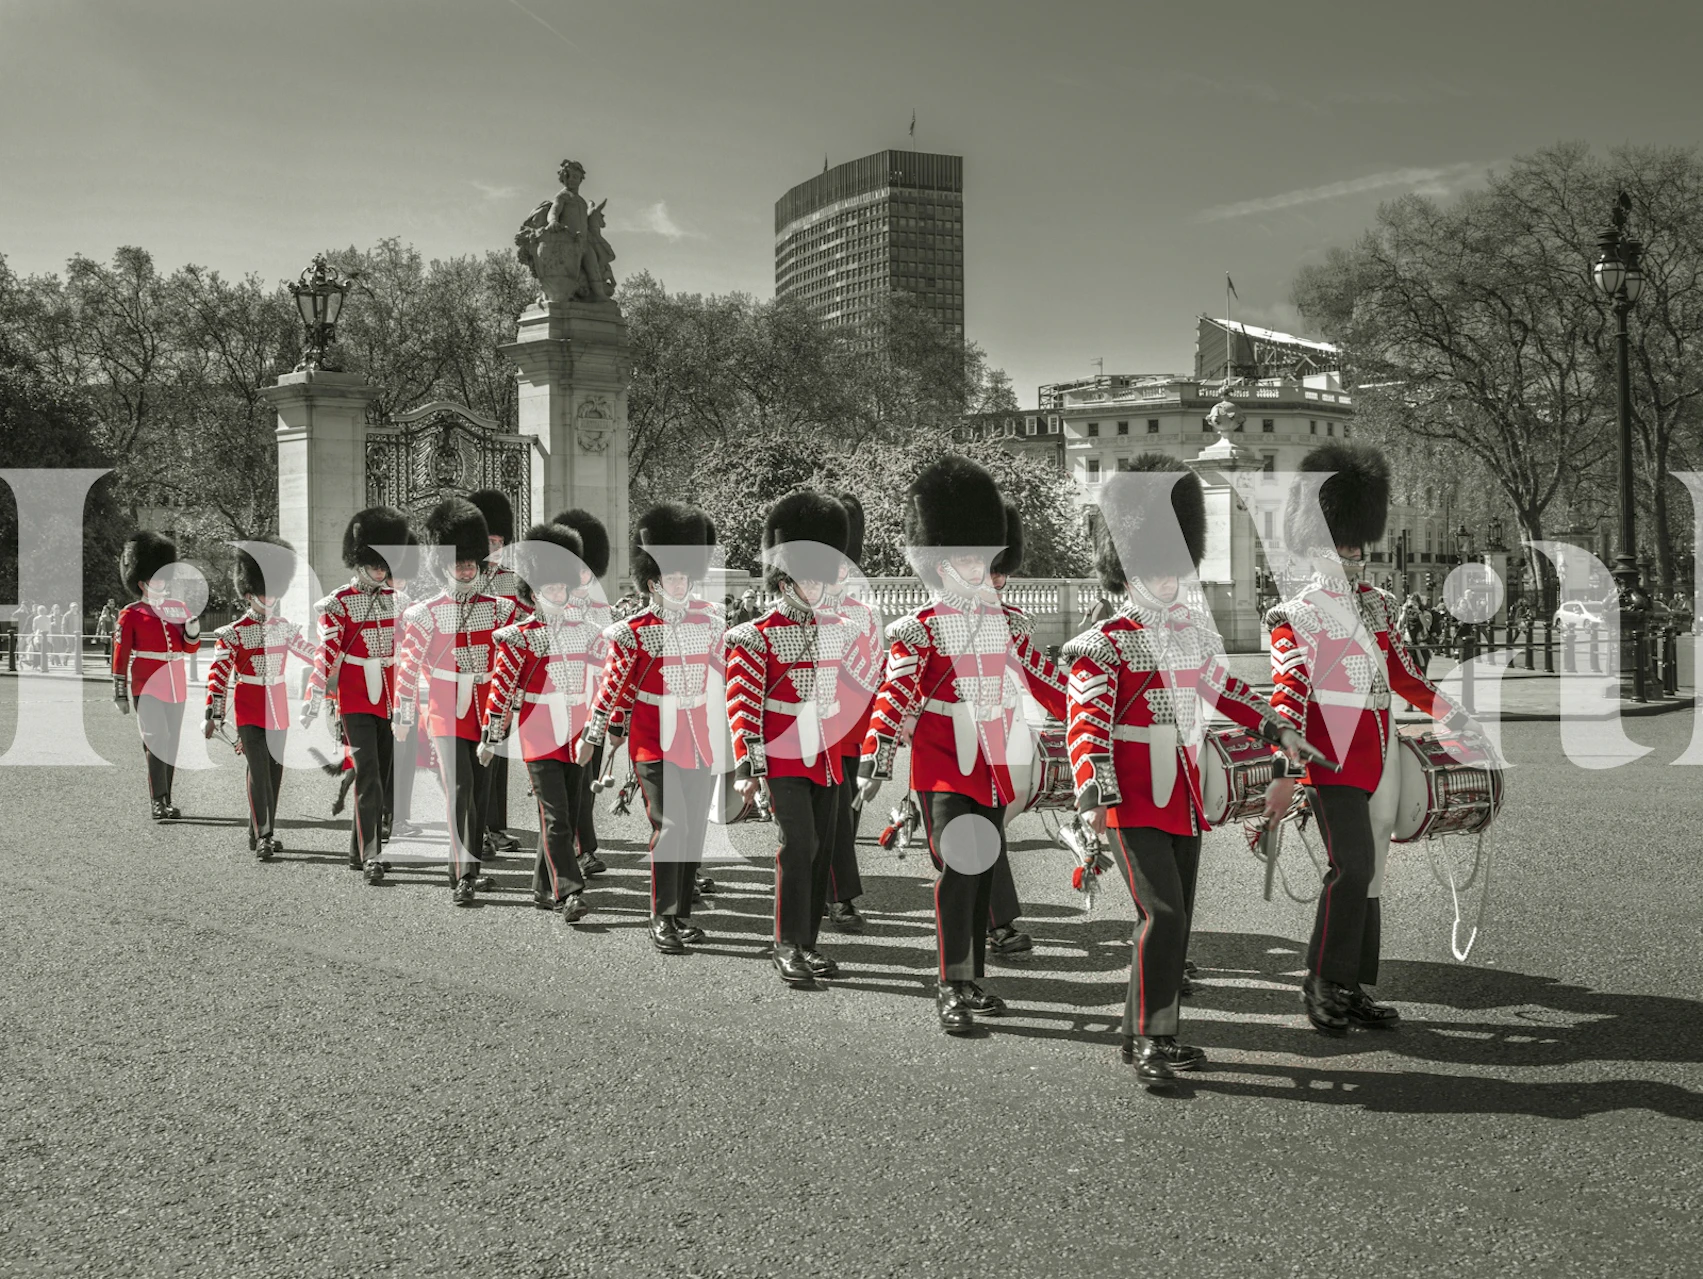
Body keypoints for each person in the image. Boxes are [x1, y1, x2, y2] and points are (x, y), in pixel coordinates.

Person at [1064, 458, 1308, 1087]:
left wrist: (1277, 728)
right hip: (1127, 798)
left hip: (1181, 795)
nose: (1171, 579)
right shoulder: (1103, 642)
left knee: (1173, 919)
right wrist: (1093, 789)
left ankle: (1139, 1031)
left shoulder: (1190, 635)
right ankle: (1153, 1039)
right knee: (1163, 914)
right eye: (1157, 568)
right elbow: (1085, 722)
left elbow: (1228, 691)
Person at [1261, 444, 1475, 1036]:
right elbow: (1288, 696)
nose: (1352, 557)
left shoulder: (1378, 606)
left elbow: (1404, 675)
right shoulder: (1292, 616)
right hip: (1330, 762)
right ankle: (1321, 981)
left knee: (1372, 871)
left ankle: (1351, 985)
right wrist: (1285, 772)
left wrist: (1451, 713)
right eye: (1341, 545)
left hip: (1380, 755)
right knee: (1350, 868)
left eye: (1356, 546)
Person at [855, 457, 1067, 1036]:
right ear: (941, 564)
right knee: (957, 870)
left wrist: (1095, 723)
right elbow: (895, 695)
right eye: (964, 561)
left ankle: (969, 978)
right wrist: (877, 758)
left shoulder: (1013, 624)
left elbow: (1047, 684)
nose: (975, 570)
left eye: (981, 559)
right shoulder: (918, 627)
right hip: (943, 763)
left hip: (994, 763)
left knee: (981, 871)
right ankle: (951, 983)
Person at [579, 502, 723, 954]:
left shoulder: (712, 622)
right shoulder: (632, 631)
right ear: (653, 581)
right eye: (670, 578)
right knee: (670, 824)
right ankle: (660, 916)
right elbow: (612, 688)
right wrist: (593, 736)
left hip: (698, 736)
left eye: (683, 577)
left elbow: (726, 684)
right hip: (652, 737)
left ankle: (680, 915)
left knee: (693, 827)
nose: (678, 584)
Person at [726, 490, 855, 987]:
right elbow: (743, 705)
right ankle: (785, 943)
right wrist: (749, 768)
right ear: (784, 582)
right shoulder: (754, 635)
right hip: (780, 758)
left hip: (825, 756)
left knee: (822, 852)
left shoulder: (842, 630)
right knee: (796, 845)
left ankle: (808, 943)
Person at [394, 499, 516, 907]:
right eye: (458, 565)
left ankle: (465, 867)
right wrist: (403, 714)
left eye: (470, 564)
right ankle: (464, 874)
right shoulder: (424, 613)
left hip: (486, 706)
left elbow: (509, 664)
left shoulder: (499, 610)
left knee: (480, 791)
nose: (465, 571)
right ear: (443, 566)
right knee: (460, 788)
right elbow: (409, 668)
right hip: (446, 707)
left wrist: (511, 706)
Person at [482, 522, 599, 924]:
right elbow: (501, 690)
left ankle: (541, 887)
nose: (558, 594)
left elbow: (603, 685)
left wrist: (600, 731)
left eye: (561, 589)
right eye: (550, 589)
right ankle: (571, 892)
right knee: (556, 816)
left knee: (563, 813)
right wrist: (491, 738)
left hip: (576, 734)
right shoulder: (517, 637)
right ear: (533, 594)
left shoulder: (587, 634)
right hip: (539, 733)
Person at [303, 507, 411, 880]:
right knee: (368, 775)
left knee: (382, 775)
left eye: (385, 565)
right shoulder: (337, 603)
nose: (381, 571)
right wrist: (315, 693)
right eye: (374, 564)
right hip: (354, 699)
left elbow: (409, 651)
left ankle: (357, 850)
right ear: (359, 560)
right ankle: (372, 856)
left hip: (389, 700)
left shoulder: (399, 601)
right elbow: (326, 651)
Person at [203, 538, 317, 860]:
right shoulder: (233, 633)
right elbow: (219, 676)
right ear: (250, 594)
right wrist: (213, 713)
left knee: (275, 771)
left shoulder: (285, 629)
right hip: (250, 707)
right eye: (266, 592)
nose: (272, 598)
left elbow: (310, 653)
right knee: (258, 769)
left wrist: (333, 659)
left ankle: (259, 830)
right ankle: (266, 835)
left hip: (278, 706)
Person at [112, 532, 202, 820]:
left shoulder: (178, 608)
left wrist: (191, 628)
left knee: (172, 741)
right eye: (155, 578)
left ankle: (167, 796)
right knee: (156, 738)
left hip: (176, 684)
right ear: (141, 582)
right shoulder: (132, 613)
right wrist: (119, 693)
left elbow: (190, 648)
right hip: (146, 684)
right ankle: (158, 801)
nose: (162, 582)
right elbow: (120, 656)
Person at [823, 493, 881, 934]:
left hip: (852, 735)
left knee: (845, 821)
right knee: (820, 824)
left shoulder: (865, 616)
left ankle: (836, 896)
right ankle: (832, 896)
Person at [985, 497, 1040, 957]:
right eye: (991, 570)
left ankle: (996, 921)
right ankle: (989, 924)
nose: (999, 580)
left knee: (990, 831)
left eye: (1003, 571)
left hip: (1002, 735)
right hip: (948, 744)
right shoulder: (929, 623)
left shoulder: (1015, 624)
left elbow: (1036, 675)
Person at [550, 507, 614, 880]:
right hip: (562, 699)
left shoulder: (602, 603)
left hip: (596, 701)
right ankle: (580, 850)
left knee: (587, 779)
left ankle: (582, 846)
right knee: (568, 781)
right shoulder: (556, 600)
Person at [466, 489, 525, 859]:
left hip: (498, 675)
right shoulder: (463, 574)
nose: (497, 546)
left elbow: (521, 625)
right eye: (491, 539)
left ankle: (496, 825)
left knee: (496, 754)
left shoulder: (512, 579)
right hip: (463, 677)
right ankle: (474, 827)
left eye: (502, 540)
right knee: (467, 754)